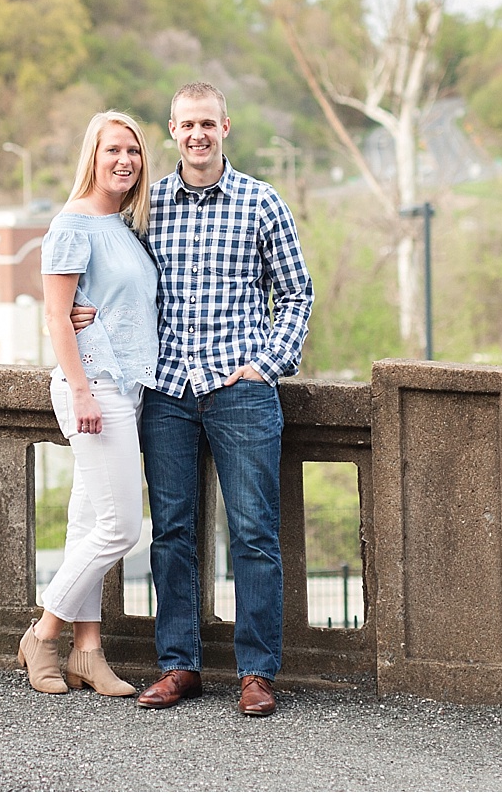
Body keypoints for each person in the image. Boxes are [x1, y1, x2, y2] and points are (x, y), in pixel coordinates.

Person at [73, 81, 313, 716]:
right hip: (167, 391)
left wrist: (266, 365)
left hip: (240, 393)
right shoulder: (145, 210)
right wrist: (82, 313)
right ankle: (179, 665)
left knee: (254, 533)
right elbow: (108, 273)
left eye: (209, 123)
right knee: (172, 533)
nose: (198, 134)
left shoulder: (262, 203)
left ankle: (256, 672)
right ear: (172, 131)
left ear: (225, 128)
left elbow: (296, 294)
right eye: (187, 125)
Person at [17, 111, 160, 697]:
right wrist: (80, 390)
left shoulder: (124, 225)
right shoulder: (73, 223)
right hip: (94, 389)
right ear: (92, 158)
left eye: (133, 151)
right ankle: (43, 634)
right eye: (112, 151)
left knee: (86, 524)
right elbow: (55, 313)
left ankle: (89, 653)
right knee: (122, 527)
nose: (124, 160)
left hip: (127, 387)